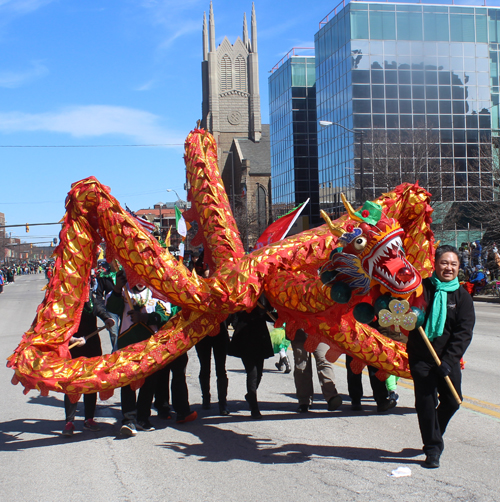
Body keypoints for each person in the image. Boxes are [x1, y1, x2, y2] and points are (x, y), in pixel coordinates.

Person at [407, 245, 474, 469]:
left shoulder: (462, 296)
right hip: (422, 357)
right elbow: (409, 316)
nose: (449, 268)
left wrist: (448, 361)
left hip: (447, 360)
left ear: (458, 267)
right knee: (426, 404)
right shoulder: (422, 289)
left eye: (453, 264)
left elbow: (464, 332)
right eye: (444, 263)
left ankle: (433, 430)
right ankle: (433, 448)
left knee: (454, 401)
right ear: (435, 264)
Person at [106, 270, 170, 436]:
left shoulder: (155, 290)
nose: (140, 277)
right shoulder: (124, 290)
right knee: (128, 382)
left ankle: (143, 417)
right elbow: (112, 307)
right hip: (127, 343)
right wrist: (118, 288)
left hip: (150, 344)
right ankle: (129, 419)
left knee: (149, 382)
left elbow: (165, 314)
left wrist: (144, 318)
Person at [62, 286, 115, 436]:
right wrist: (72, 338)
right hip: (74, 345)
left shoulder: (90, 296)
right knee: (73, 382)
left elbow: (99, 307)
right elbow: (60, 324)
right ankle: (69, 421)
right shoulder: (67, 298)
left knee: (92, 380)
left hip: (91, 344)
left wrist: (107, 318)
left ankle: (89, 419)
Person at [228, 297, 274, 419]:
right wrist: (235, 323)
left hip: (260, 336)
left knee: (259, 372)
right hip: (245, 335)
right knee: (252, 372)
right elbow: (234, 310)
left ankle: (250, 395)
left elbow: (269, 313)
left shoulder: (263, 294)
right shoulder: (241, 292)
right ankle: (254, 407)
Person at [292, 329, 342, 413]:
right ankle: (304, 401)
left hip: (319, 330)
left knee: (324, 361)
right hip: (298, 331)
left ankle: (331, 397)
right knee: (301, 367)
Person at [195, 322, 230, 415]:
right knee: (204, 367)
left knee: (221, 369)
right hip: (202, 332)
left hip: (220, 331)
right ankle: (206, 397)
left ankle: (222, 402)